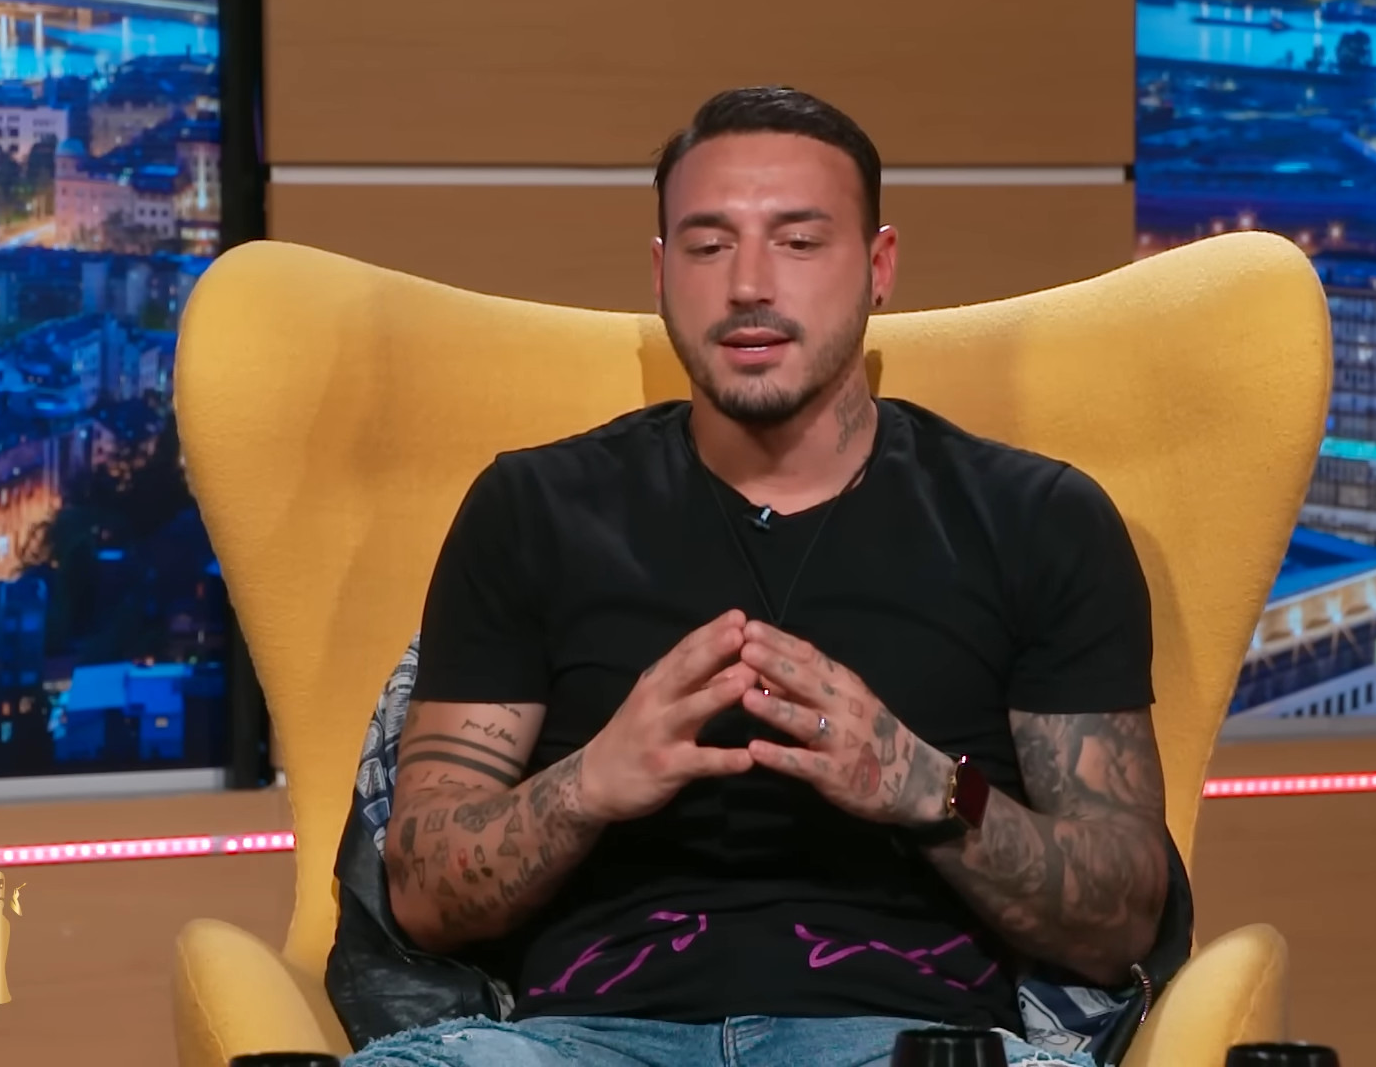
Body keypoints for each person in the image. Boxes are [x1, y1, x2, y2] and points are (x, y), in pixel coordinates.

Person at [343, 86, 1174, 1067]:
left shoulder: (1036, 520)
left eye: (799, 241)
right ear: (661, 274)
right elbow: (422, 897)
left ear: (879, 267)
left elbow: (1121, 916)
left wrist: (929, 787)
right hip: (578, 1044)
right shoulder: (532, 510)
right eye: (707, 246)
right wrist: (589, 783)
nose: (747, 284)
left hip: (911, 1042)